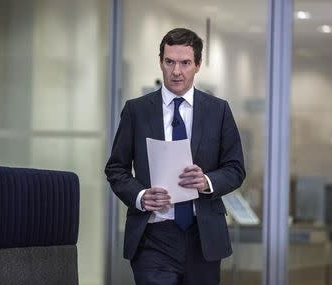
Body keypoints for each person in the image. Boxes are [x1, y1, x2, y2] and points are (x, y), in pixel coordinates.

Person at [105, 27, 245, 285]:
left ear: (198, 65)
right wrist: (140, 196)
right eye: (169, 62)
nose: (176, 71)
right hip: (152, 236)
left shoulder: (218, 111)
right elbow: (116, 169)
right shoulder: (137, 111)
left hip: (202, 238)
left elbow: (235, 169)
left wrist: (206, 181)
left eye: (185, 63)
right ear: (161, 62)